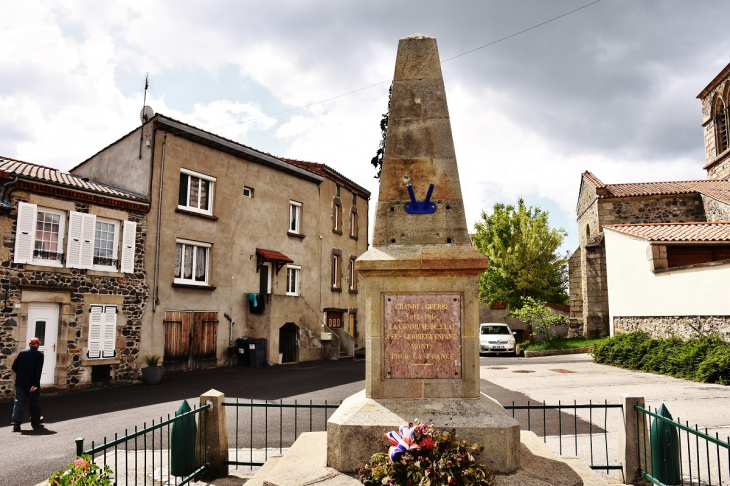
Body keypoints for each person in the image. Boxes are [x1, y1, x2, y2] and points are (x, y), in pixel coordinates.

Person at [10, 337, 44, 432]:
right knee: (34, 402)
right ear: (37, 345)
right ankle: (35, 420)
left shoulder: (22, 352)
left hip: (20, 382)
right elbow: (38, 371)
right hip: (32, 384)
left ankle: (16, 423)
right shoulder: (39, 355)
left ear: (29, 344)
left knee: (19, 402)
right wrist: (35, 384)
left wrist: (21, 374)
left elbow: (14, 367)